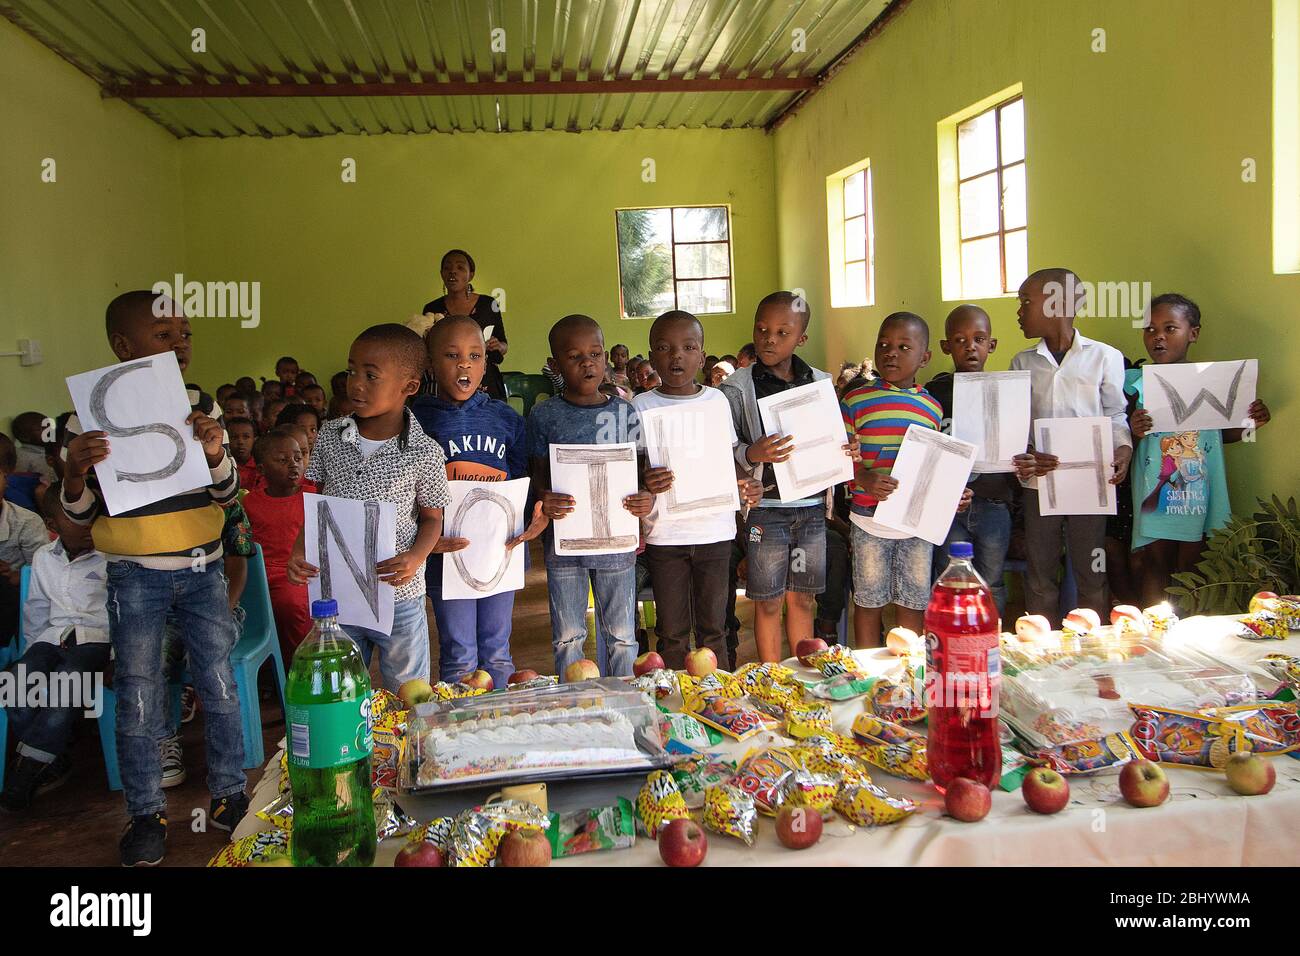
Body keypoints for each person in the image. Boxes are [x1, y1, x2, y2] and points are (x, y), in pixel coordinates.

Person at [62, 290, 247, 867]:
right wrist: (73, 470)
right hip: (133, 578)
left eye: (185, 334)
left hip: (204, 569)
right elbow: (76, 523)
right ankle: (145, 814)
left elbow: (228, 495)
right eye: (164, 336)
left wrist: (216, 450)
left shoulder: (199, 404)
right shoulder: (85, 420)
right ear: (124, 346)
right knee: (138, 694)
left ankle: (229, 794)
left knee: (218, 683)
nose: (180, 345)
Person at [287, 324, 451, 691]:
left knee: (408, 692)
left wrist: (415, 558)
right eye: (351, 371)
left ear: (409, 387)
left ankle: (408, 748)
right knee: (342, 688)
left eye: (371, 375)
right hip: (338, 594)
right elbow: (317, 504)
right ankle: (353, 748)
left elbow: (432, 519)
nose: (356, 383)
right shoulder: (330, 435)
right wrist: (301, 547)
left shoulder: (425, 452)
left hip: (398, 595)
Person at [719, 291, 853, 662]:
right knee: (766, 601)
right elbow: (724, 449)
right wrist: (751, 452)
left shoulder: (820, 384)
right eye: (762, 330)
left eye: (782, 332)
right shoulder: (737, 389)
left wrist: (848, 449)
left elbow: (835, 440)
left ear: (801, 339)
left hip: (810, 511)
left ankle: (800, 674)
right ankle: (772, 676)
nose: (769, 339)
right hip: (766, 511)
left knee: (803, 598)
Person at [411, 317, 545, 687]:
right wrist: (422, 541)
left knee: (497, 649)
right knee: (459, 655)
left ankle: (499, 732)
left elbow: (521, 483)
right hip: (445, 555)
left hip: (498, 550)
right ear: (430, 364)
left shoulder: (505, 418)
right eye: (452, 355)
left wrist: (532, 518)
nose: (464, 364)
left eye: (474, 355)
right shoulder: (415, 419)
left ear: (486, 362)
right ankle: (461, 735)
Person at [635, 311, 761, 670]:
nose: (677, 356)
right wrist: (645, 479)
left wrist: (745, 481)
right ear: (652, 355)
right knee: (671, 630)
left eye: (688, 347)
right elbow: (633, 467)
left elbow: (726, 457)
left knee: (714, 628)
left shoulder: (716, 401)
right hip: (665, 536)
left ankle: (716, 698)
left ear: (702, 355)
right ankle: (673, 702)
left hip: (715, 534)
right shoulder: (641, 407)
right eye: (665, 347)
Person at [1126, 293, 1271, 607]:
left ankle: (1190, 639)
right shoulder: (1135, 384)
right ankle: (1157, 634)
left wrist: (1251, 423)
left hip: (1199, 489)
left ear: (1193, 333)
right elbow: (1121, 440)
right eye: (1150, 329)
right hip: (1157, 489)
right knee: (1156, 562)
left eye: (1169, 328)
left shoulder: (1214, 382)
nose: (1158, 337)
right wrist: (1135, 431)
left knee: (1192, 568)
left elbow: (1219, 437)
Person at [527, 314, 652, 677]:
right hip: (565, 545)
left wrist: (646, 497)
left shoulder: (625, 412)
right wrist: (543, 498)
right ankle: (575, 706)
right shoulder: (544, 415)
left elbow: (639, 471)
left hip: (616, 543)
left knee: (622, 635)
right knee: (568, 636)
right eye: (574, 356)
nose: (587, 363)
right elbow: (537, 476)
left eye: (595, 353)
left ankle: (625, 702)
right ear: (554, 365)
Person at [1010, 268, 1132, 622]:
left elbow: (1115, 414)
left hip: (1089, 483)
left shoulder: (1104, 357)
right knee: (1040, 571)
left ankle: (1092, 647)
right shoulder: (1023, 362)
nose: (1019, 312)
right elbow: (1019, 427)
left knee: (1091, 572)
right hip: (1039, 483)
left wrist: (1123, 450)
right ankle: (1041, 647)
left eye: (1026, 303)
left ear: (1055, 304)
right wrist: (1029, 454)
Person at [842, 313, 970, 647]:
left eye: (903, 347)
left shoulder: (932, 408)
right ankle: (869, 672)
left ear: (924, 357)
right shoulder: (855, 401)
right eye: (883, 345)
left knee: (912, 603)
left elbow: (936, 469)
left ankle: (908, 675)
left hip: (916, 524)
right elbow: (840, 457)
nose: (891, 353)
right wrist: (862, 477)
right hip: (868, 521)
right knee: (868, 601)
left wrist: (951, 494)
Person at [0, 480, 110, 812]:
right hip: (51, 639)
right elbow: (36, 611)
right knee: (15, 686)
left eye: (92, 516)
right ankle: (54, 756)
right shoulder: (44, 558)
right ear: (51, 526)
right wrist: (32, 659)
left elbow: (121, 612)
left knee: (67, 686)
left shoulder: (111, 556)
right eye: (75, 518)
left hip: (95, 641)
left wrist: (118, 656)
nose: (87, 525)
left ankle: (23, 778)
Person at [925, 304, 1016, 617]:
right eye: (960, 340)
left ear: (992, 345)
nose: (970, 347)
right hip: (948, 509)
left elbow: (1018, 447)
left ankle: (991, 641)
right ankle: (947, 638)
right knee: (947, 578)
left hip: (994, 504)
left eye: (979, 339)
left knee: (991, 580)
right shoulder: (933, 393)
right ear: (945, 346)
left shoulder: (1006, 393)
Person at [242, 431, 313, 661]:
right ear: (261, 470)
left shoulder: (313, 495)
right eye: (282, 460)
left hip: (297, 572)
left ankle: (296, 667)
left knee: (290, 604)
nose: (293, 464)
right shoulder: (250, 502)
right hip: (260, 572)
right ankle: (268, 671)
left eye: (297, 457)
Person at [420, 249, 509, 400]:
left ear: (471, 274)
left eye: (460, 268)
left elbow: (504, 344)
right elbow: (428, 348)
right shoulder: (432, 309)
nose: (453, 272)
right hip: (447, 381)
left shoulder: (489, 304)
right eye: (447, 268)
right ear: (442, 273)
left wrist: (499, 346)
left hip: (485, 381)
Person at [1, 440, 50, 646]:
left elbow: (43, 575)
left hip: (12, 598)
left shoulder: (25, 522)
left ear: (6, 478)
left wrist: (14, 576)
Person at [11, 412, 56, 482]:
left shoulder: (53, 449)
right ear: (25, 436)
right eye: (42, 428)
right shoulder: (21, 456)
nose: (49, 431)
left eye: (50, 427)